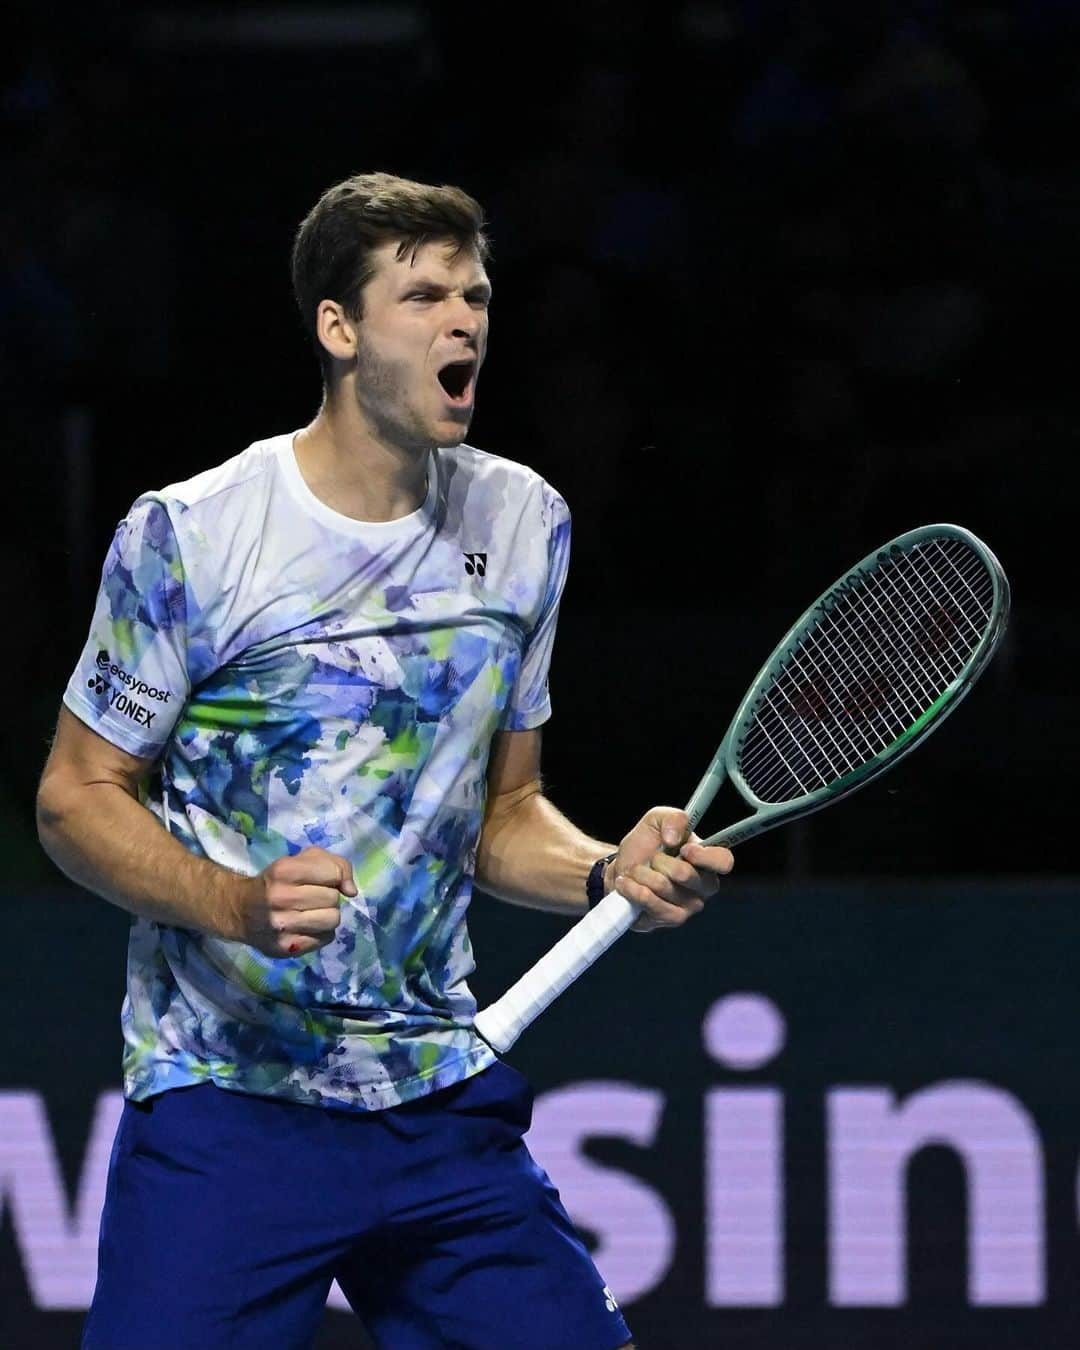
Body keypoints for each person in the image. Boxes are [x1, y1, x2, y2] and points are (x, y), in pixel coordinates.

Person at [36, 171, 734, 1350]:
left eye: (475, 294)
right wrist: (234, 903)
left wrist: (609, 870)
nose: (463, 320)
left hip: (436, 1102)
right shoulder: (194, 535)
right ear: (339, 328)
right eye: (422, 296)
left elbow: (504, 813)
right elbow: (74, 798)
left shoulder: (523, 526)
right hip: (229, 1106)